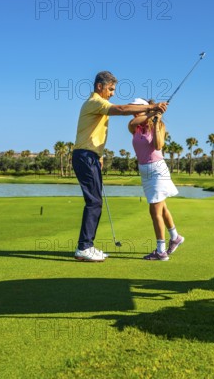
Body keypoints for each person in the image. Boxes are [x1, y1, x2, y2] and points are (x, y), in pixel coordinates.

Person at [73, 71, 168, 262]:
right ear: (100, 86)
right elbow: (123, 109)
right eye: (111, 89)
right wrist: (153, 106)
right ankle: (84, 247)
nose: (112, 93)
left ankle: (87, 245)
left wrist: (99, 155)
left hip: (90, 156)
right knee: (94, 202)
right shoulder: (95, 102)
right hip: (84, 156)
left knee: (95, 201)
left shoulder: (98, 104)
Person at [128, 98, 184, 261]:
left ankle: (161, 251)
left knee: (155, 210)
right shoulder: (134, 126)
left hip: (157, 170)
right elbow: (136, 120)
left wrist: (157, 120)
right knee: (162, 207)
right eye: (132, 109)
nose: (134, 111)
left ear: (144, 108)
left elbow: (158, 146)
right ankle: (175, 237)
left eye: (137, 108)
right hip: (145, 171)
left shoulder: (157, 124)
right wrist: (152, 111)